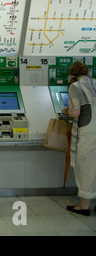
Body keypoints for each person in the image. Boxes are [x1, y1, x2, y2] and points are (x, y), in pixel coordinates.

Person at [61, 61, 96, 216]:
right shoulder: (94, 83)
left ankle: (84, 206)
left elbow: (76, 113)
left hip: (88, 130)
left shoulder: (75, 87)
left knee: (86, 165)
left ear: (72, 75)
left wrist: (67, 111)